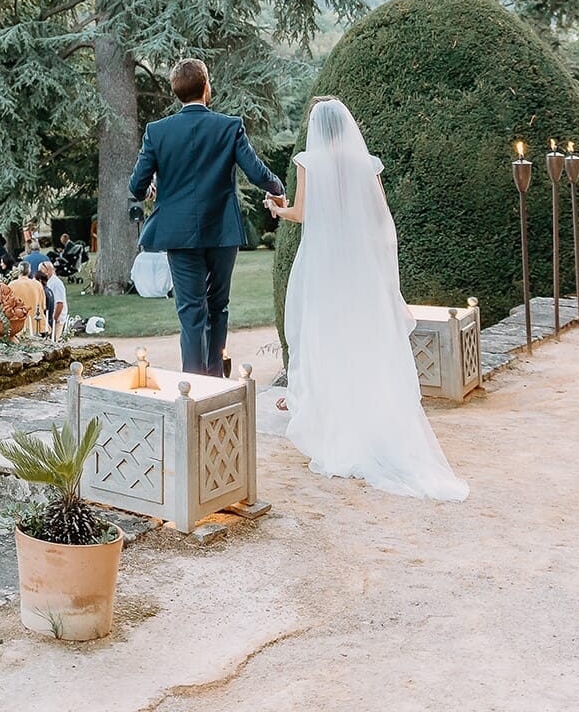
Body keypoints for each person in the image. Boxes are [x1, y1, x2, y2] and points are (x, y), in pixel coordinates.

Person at [265, 97, 469, 502]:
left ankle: (333, 426)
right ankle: (369, 423)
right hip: (358, 265)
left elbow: (302, 212)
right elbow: (381, 215)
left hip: (324, 265)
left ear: (316, 129)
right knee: (361, 338)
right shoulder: (366, 163)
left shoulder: (309, 161)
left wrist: (277, 210)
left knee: (326, 337)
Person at [129, 57, 285, 377]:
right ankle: (215, 379)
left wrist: (150, 191)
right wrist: (278, 188)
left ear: (176, 93)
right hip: (221, 231)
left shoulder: (157, 131)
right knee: (218, 306)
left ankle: (194, 383)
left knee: (190, 311)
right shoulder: (229, 126)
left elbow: (136, 187)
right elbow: (257, 172)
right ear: (206, 86)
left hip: (178, 233)